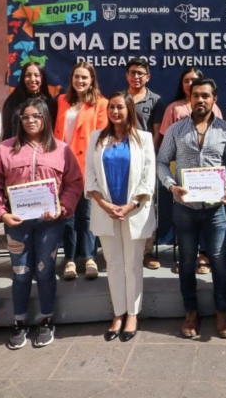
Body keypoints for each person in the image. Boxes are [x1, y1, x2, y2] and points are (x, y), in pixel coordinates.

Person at [0, 98, 84, 350]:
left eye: (36, 116)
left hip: (50, 223)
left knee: (45, 269)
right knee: (20, 272)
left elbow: (74, 183)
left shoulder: (61, 149)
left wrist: (63, 207)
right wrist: (1, 214)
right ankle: (19, 322)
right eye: (26, 116)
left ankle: (46, 319)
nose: (30, 120)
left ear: (46, 119)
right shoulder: (5, 149)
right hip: (16, 223)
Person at [157, 77, 226, 339]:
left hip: (215, 209)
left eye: (206, 95)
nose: (200, 100)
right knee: (188, 261)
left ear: (215, 99)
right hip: (185, 207)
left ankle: (222, 312)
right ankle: (190, 312)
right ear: (189, 99)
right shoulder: (176, 130)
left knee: (219, 260)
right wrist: (171, 185)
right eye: (195, 96)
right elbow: (161, 163)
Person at [86, 92, 156, 342]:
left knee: (133, 264)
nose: (115, 112)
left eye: (120, 108)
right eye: (111, 108)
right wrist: (104, 204)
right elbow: (90, 176)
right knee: (114, 264)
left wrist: (131, 205)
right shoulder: (97, 138)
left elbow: (148, 179)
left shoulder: (144, 139)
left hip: (134, 212)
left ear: (129, 110)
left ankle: (133, 315)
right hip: (106, 212)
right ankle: (118, 313)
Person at [157, 66, 223, 275]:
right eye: (186, 81)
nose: (189, 84)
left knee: (207, 217)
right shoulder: (173, 108)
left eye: (194, 80)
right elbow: (163, 142)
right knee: (184, 219)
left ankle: (203, 255)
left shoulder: (215, 112)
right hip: (182, 177)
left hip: (210, 181)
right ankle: (186, 257)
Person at [54, 61, 108, 281]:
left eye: (85, 77)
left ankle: (89, 257)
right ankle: (69, 259)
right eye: (77, 77)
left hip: (88, 166)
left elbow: (102, 138)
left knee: (86, 216)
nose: (80, 81)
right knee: (67, 216)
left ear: (92, 80)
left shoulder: (101, 103)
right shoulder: (61, 101)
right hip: (62, 166)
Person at [123, 57, 165, 270]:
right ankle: (126, 251)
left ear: (147, 77)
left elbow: (157, 133)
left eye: (140, 73)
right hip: (121, 161)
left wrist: (147, 155)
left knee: (148, 206)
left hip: (147, 161)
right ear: (127, 75)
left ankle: (147, 252)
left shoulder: (156, 100)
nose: (136, 77)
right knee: (123, 203)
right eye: (132, 72)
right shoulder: (119, 98)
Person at [1, 62, 57, 141]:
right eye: (28, 75)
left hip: (42, 149)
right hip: (16, 148)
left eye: (36, 75)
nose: (32, 79)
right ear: (23, 78)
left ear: (42, 78)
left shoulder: (49, 103)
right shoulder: (13, 101)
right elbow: (7, 131)